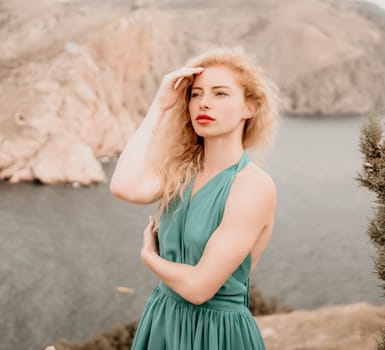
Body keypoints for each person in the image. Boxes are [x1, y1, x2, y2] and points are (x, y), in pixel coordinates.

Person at [109, 47, 279, 350]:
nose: (204, 103)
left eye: (220, 94)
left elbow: (200, 288)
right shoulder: (180, 172)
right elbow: (124, 186)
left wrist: (150, 258)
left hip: (217, 334)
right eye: (196, 94)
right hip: (163, 321)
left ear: (249, 107)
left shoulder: (252, 185)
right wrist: (159, 107)